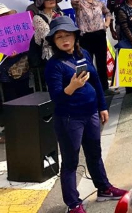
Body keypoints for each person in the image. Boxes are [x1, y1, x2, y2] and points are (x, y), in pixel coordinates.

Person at [44, 16, 127, 213]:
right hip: (69, 118)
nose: (65, 39)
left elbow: (96, 81)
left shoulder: (85, 54)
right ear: (53, 42)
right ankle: (73, 204)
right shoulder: (53, 65)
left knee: (94, 153)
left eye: (68, 35)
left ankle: (104, 188)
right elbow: (56, 97)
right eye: (59, 37)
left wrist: (102, 106)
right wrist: (72, 87)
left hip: (91, 113)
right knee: (71, 160)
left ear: (75, 36)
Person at [71, 0, 111, 92]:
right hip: (85, 37)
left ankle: (104, 88)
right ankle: (90, 88)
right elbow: (74, 0)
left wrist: (106, 24)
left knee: (101, 62)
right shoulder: (80, 4)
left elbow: (107, 13)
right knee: (87, 63)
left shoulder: (99, 3)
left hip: (99, 36)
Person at [0, 3, 30, 139]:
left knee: (24, 96)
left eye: (5, 14)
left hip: (21, 69)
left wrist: (17, 51)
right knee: (10, 99)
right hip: (4, 74)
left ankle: (27, 124)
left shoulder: (17, 27)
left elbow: (27, 43)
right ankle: (14, 128)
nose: (3, 17)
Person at [32, 0, 64, 91]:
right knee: (55, 81)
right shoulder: (38, 18)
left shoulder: (60, 14)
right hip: (50, 53)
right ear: (42, 2)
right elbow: (47, 36)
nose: (52, 0)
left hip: (63, 50)